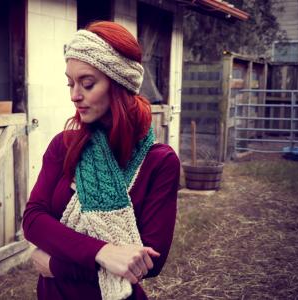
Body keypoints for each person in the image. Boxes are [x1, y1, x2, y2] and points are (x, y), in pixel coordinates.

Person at [22, 21, 180, 300]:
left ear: (119, 84)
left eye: (87, 83)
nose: (74, 95)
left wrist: (55, 264)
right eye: (70, 83)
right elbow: (34, 220)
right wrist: (102, 253)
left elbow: (148, 262)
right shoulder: (64, 146)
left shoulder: (159, 162)